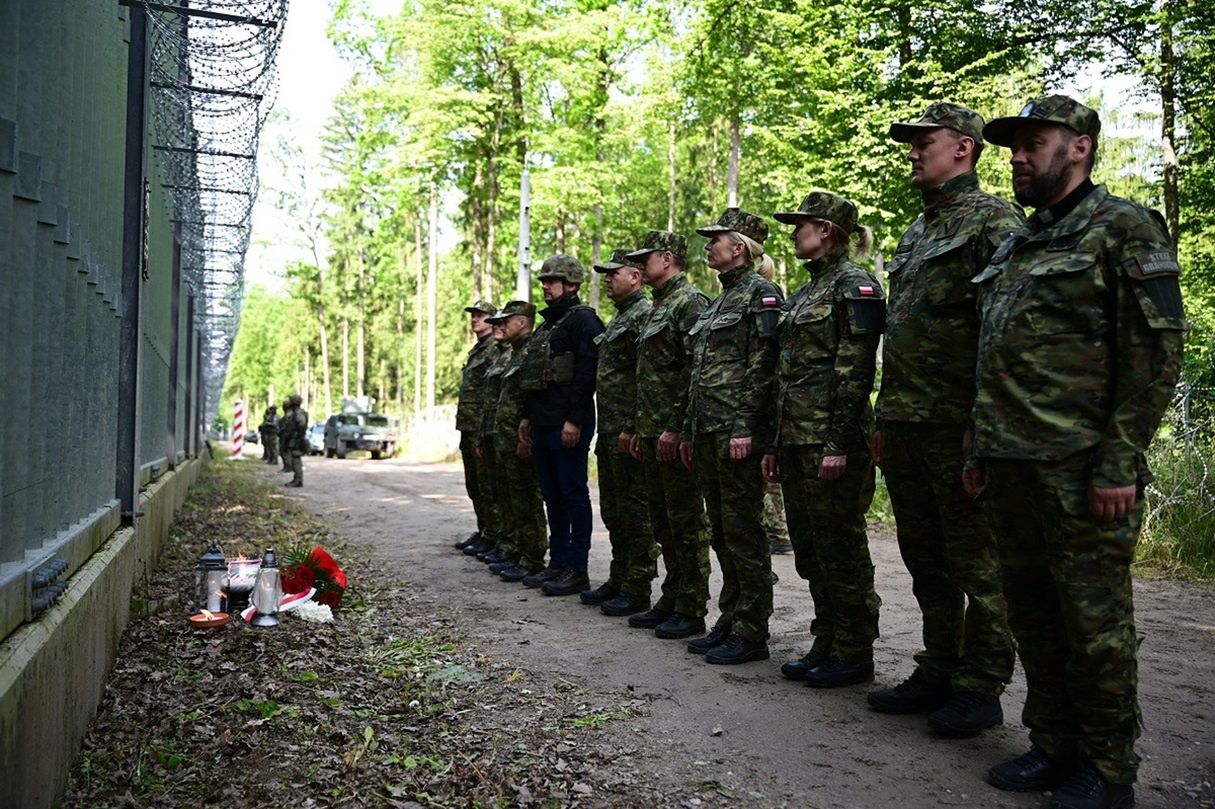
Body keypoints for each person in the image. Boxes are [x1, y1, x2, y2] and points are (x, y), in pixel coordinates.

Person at [966, 95, 1184, 809]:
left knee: (1093, 627)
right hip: (1010, 464)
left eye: (1033, 142)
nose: (1017, 156)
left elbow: (1152, 354)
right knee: (1031, 613)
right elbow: (992, 355)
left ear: (1080, 146)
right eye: (1012, 146)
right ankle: (1053, 744)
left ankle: (1108, 767)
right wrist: (978, 443)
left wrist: (1119, 460)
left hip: (1081, 468)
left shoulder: (1121, 226)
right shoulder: (1017, 242)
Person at [867, 102, 1023, 737]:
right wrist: (883, 417)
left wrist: (982, 425)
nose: (913, 152)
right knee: (924, 555)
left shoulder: (995, 220)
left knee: (976, 562)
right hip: (905, 421)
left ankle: (981, 685)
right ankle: (939, 666)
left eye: (923, 142)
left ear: (963, 148)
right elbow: (901, 336)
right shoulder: (915, 232)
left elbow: (1005, 329)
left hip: (955, 424)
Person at [763, 191, 884, 688]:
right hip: (795, 440)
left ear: (826, 230)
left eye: (800, 226)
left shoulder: (855, 285)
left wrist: (836, 443)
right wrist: (773, 442)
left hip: (831, 442)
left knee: (841, 547)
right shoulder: (806, 291)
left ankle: (854, 650)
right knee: (811, 548)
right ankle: (828, 638)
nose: (793, 234)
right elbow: (786, 376)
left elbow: (856, 374)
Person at [677, 208, 782, 664]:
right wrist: (687, 429)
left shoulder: (761, 294)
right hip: (707, 433)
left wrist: (746, 428)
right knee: (720, 530)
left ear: (738, 246)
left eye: (715, 239)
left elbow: (764, 368)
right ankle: (730, 618)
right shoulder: (718, 301)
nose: (708, 245)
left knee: (743, 533)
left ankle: (752, 629)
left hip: (736, 435)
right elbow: (698, 374)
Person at [621, 232, 712, 637]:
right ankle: (673, 596)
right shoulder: (658, 307)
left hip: (672, 435)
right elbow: (647, 378)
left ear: (668, 258)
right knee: (663, 521)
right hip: (652, 433)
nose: (639, 265)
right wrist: (640, 428)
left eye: (646, 257)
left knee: (685, 522)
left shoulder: (689, 302)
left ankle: (692, 606)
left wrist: (676, 427)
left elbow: (693, 372)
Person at [518, 255, 605, 597]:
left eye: (552, 281)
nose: (545, 287)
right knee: (552, 496)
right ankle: (558, 561)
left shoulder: (584, 322)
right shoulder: (548, 325)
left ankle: (577, 568)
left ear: (571, 284)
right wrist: (527, 417)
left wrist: (575, 419)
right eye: (543, 281)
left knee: (572, 494)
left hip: (567, 424)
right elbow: (532, 377)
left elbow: (587, 375)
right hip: (543, 422)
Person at [581, 249, 658, 616]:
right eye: (606, 275)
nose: (608, 279)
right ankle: (620, 574)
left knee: (634, 510)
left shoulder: (643, 315)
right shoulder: (620, 318)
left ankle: (638, 584)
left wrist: (634, 427)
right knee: (613, 509)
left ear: (636, 277)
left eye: (615, 274)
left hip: (629, 431)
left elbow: (647, 379)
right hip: (610, 431)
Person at [485, 302, 550, 583]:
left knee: (527, 498)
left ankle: (532, 556)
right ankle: (517, 551)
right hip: (505, 438)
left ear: (522, 323)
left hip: (521, 439)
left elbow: (530, 399)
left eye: (507, 320)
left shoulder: (529, 353)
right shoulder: (514, 354)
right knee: (513, 497)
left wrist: (527, 435)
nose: (500, 326)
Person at [454, 300, 501, 554]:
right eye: (473, 315)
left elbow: (492, 392)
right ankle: (484, 530)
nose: (474, 319)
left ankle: (494, 534)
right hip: (469, 426)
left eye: (480, 315)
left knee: (487, 483)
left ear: (492, 320)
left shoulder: (494, 349)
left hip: (482, 427)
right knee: (474, 483)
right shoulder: (478, 349)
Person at [282, 394, 308, 487]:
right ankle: (296, 478)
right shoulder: (295, 413)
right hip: (294, 438)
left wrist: (297, 438)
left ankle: (298, 480)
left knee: (296, 459)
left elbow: (301, 426)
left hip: (296, 439)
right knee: (293, 459)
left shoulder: (299, 414)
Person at [279, 398, 293, 473]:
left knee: (285, 452)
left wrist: (281, 431)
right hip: (285, 436)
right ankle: (286, 466)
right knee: (283, 452)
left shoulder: (289, 415)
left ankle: (288, 466)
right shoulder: (287, 414)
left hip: (287, 436)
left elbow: (286, 426)